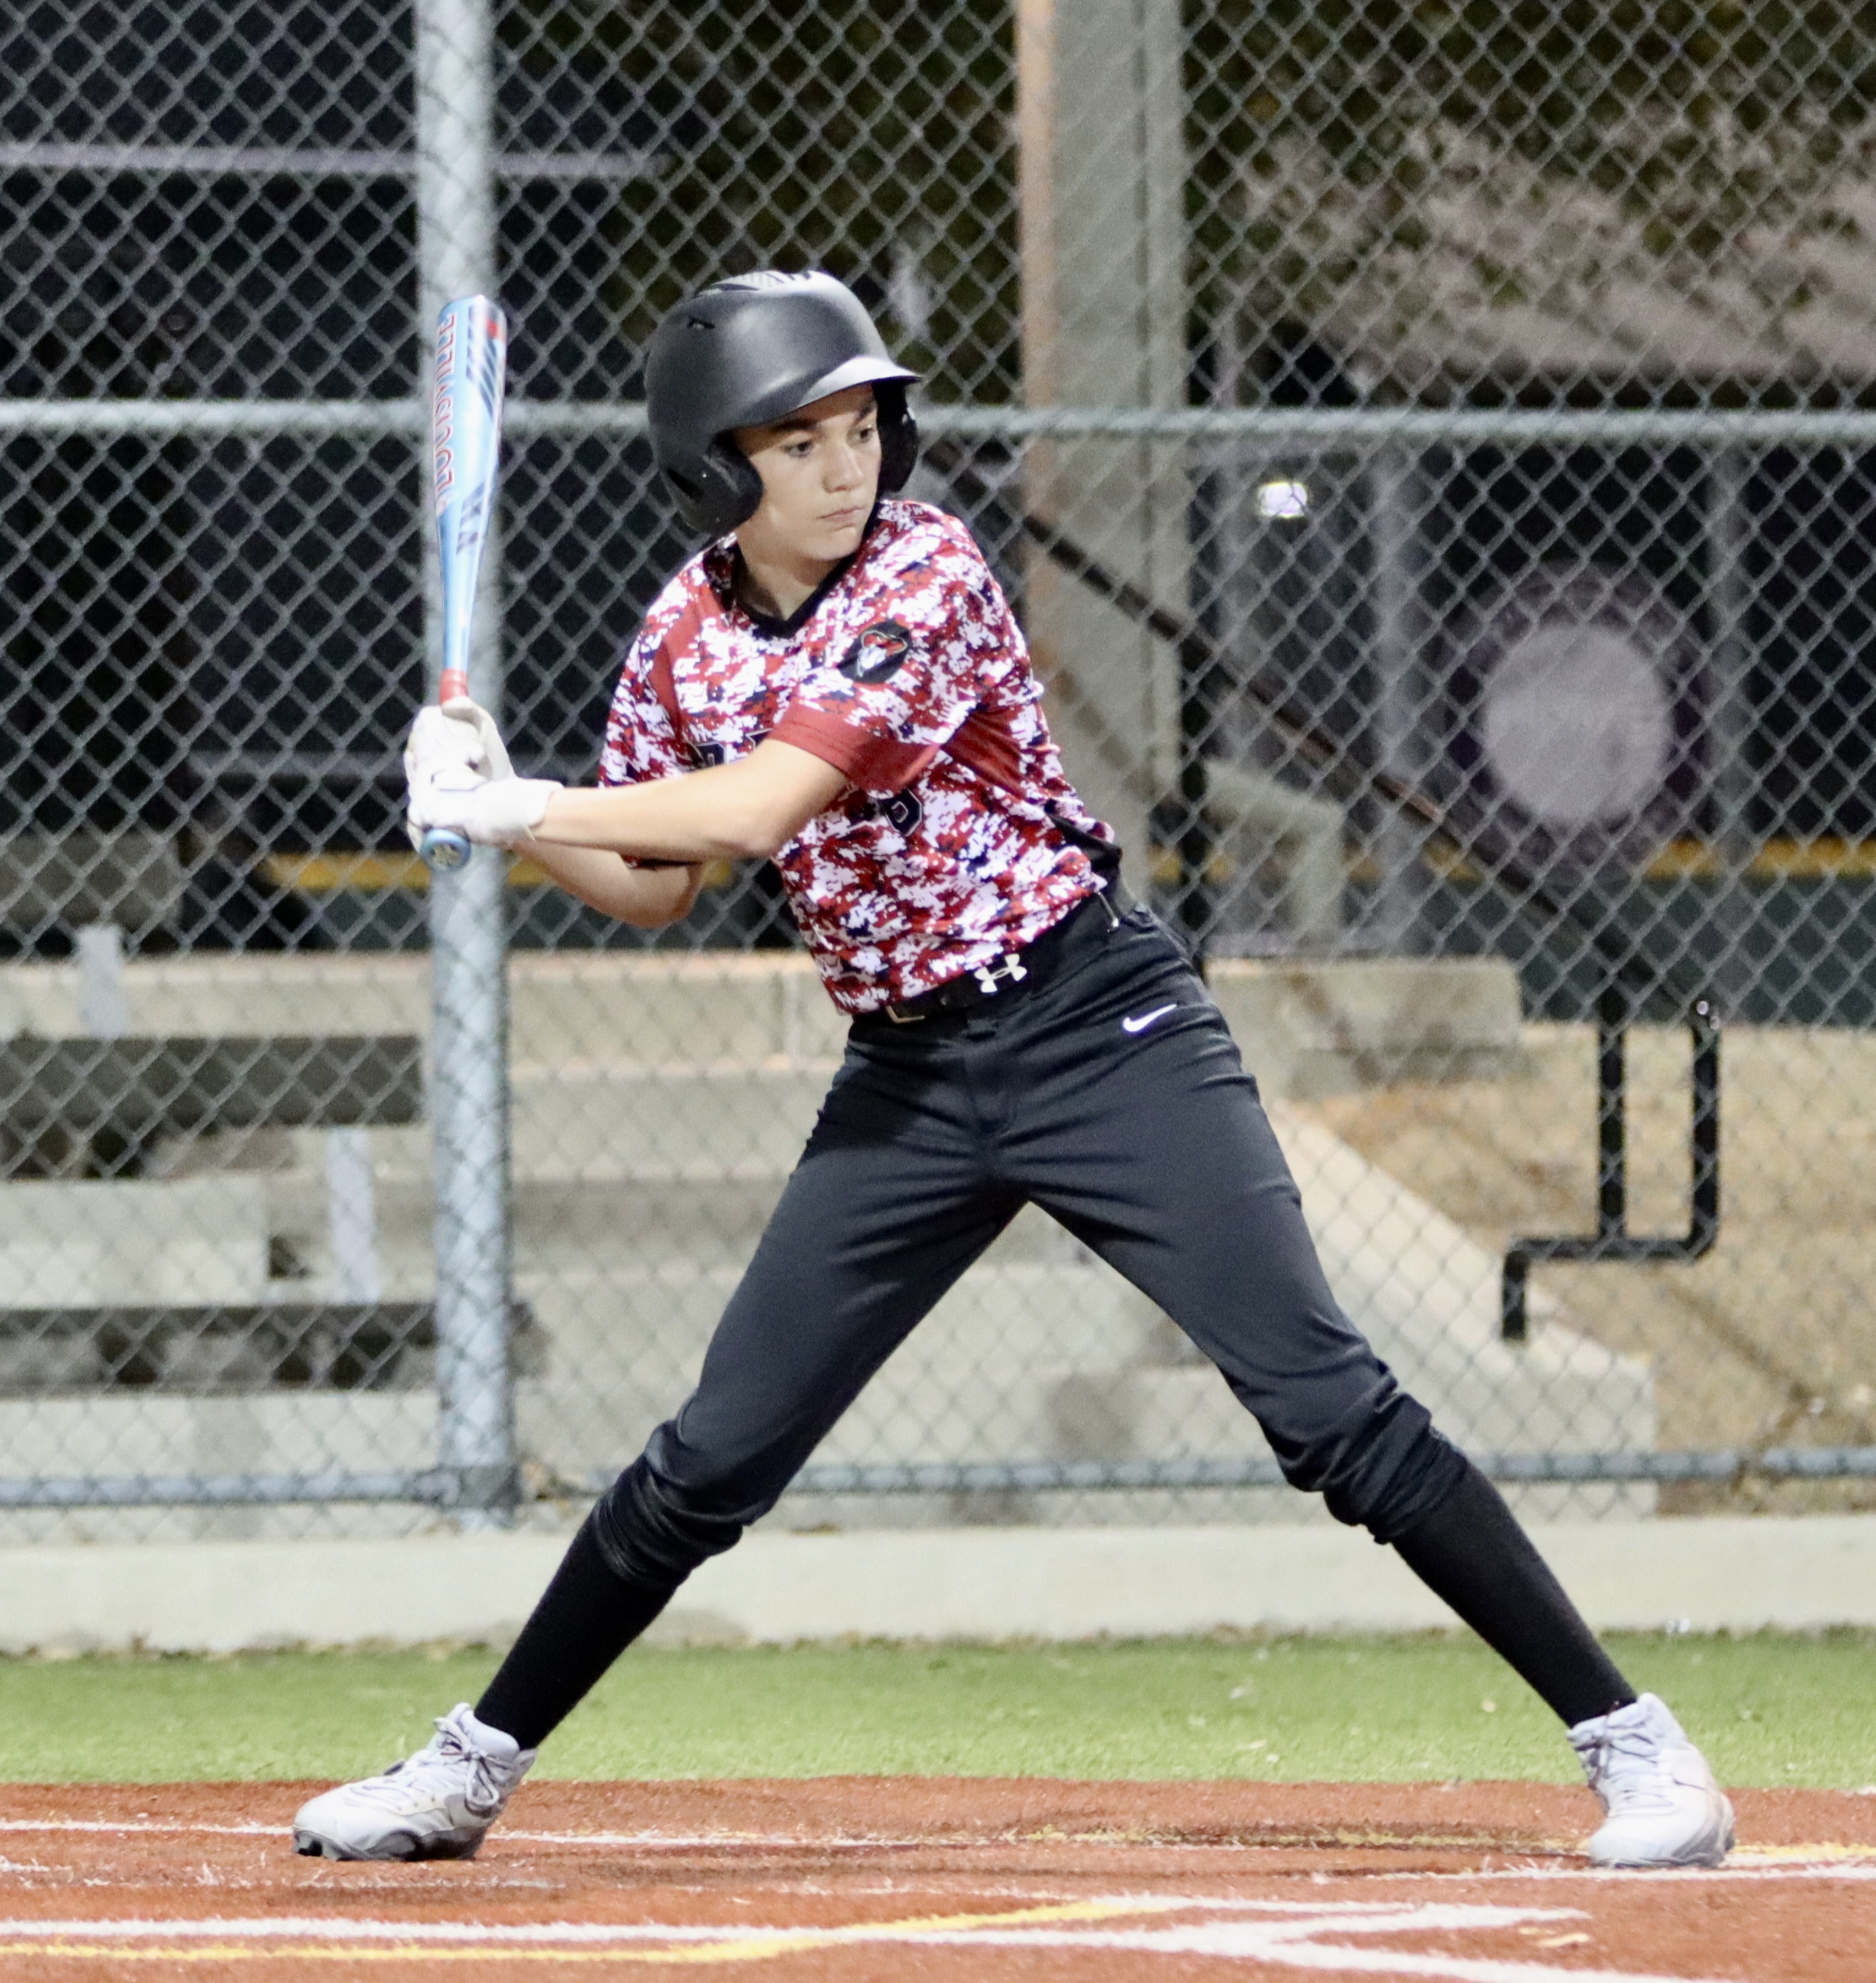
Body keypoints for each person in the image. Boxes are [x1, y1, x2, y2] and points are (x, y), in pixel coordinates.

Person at [293, 270, 1736, 1872]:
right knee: (709, 1456)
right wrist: (499, 809)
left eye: (860, 428)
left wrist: (521, 808)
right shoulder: (682, 635)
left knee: (1326, 1407)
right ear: (715, 466)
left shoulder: (923, 568)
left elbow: (759, 808)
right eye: (797, 441)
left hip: (1096, 1031)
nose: (845, 467)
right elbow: (655, 879)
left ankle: (1637, 1745)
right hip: (905, 1078)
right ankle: (468, 1767)